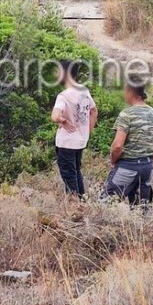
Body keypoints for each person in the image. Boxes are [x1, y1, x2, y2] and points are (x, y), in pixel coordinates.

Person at [105, 84, 153, 206]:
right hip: (147, 166)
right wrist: (150, 164)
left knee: (106, 203)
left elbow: (117, 146)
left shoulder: (127, 114)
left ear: (130, 92)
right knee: (141, 207)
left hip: (127, 166)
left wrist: (113, 160)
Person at [51, 60, 98, 201]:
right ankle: (82, 202)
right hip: (80, 141)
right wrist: (87, 131)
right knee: (76, 172)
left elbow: (54, 116)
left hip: (66, 142)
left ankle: (74, 206)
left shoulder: (63, 96)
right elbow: (94, 111)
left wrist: (62, 120)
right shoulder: (84, 91)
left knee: (69, 176)